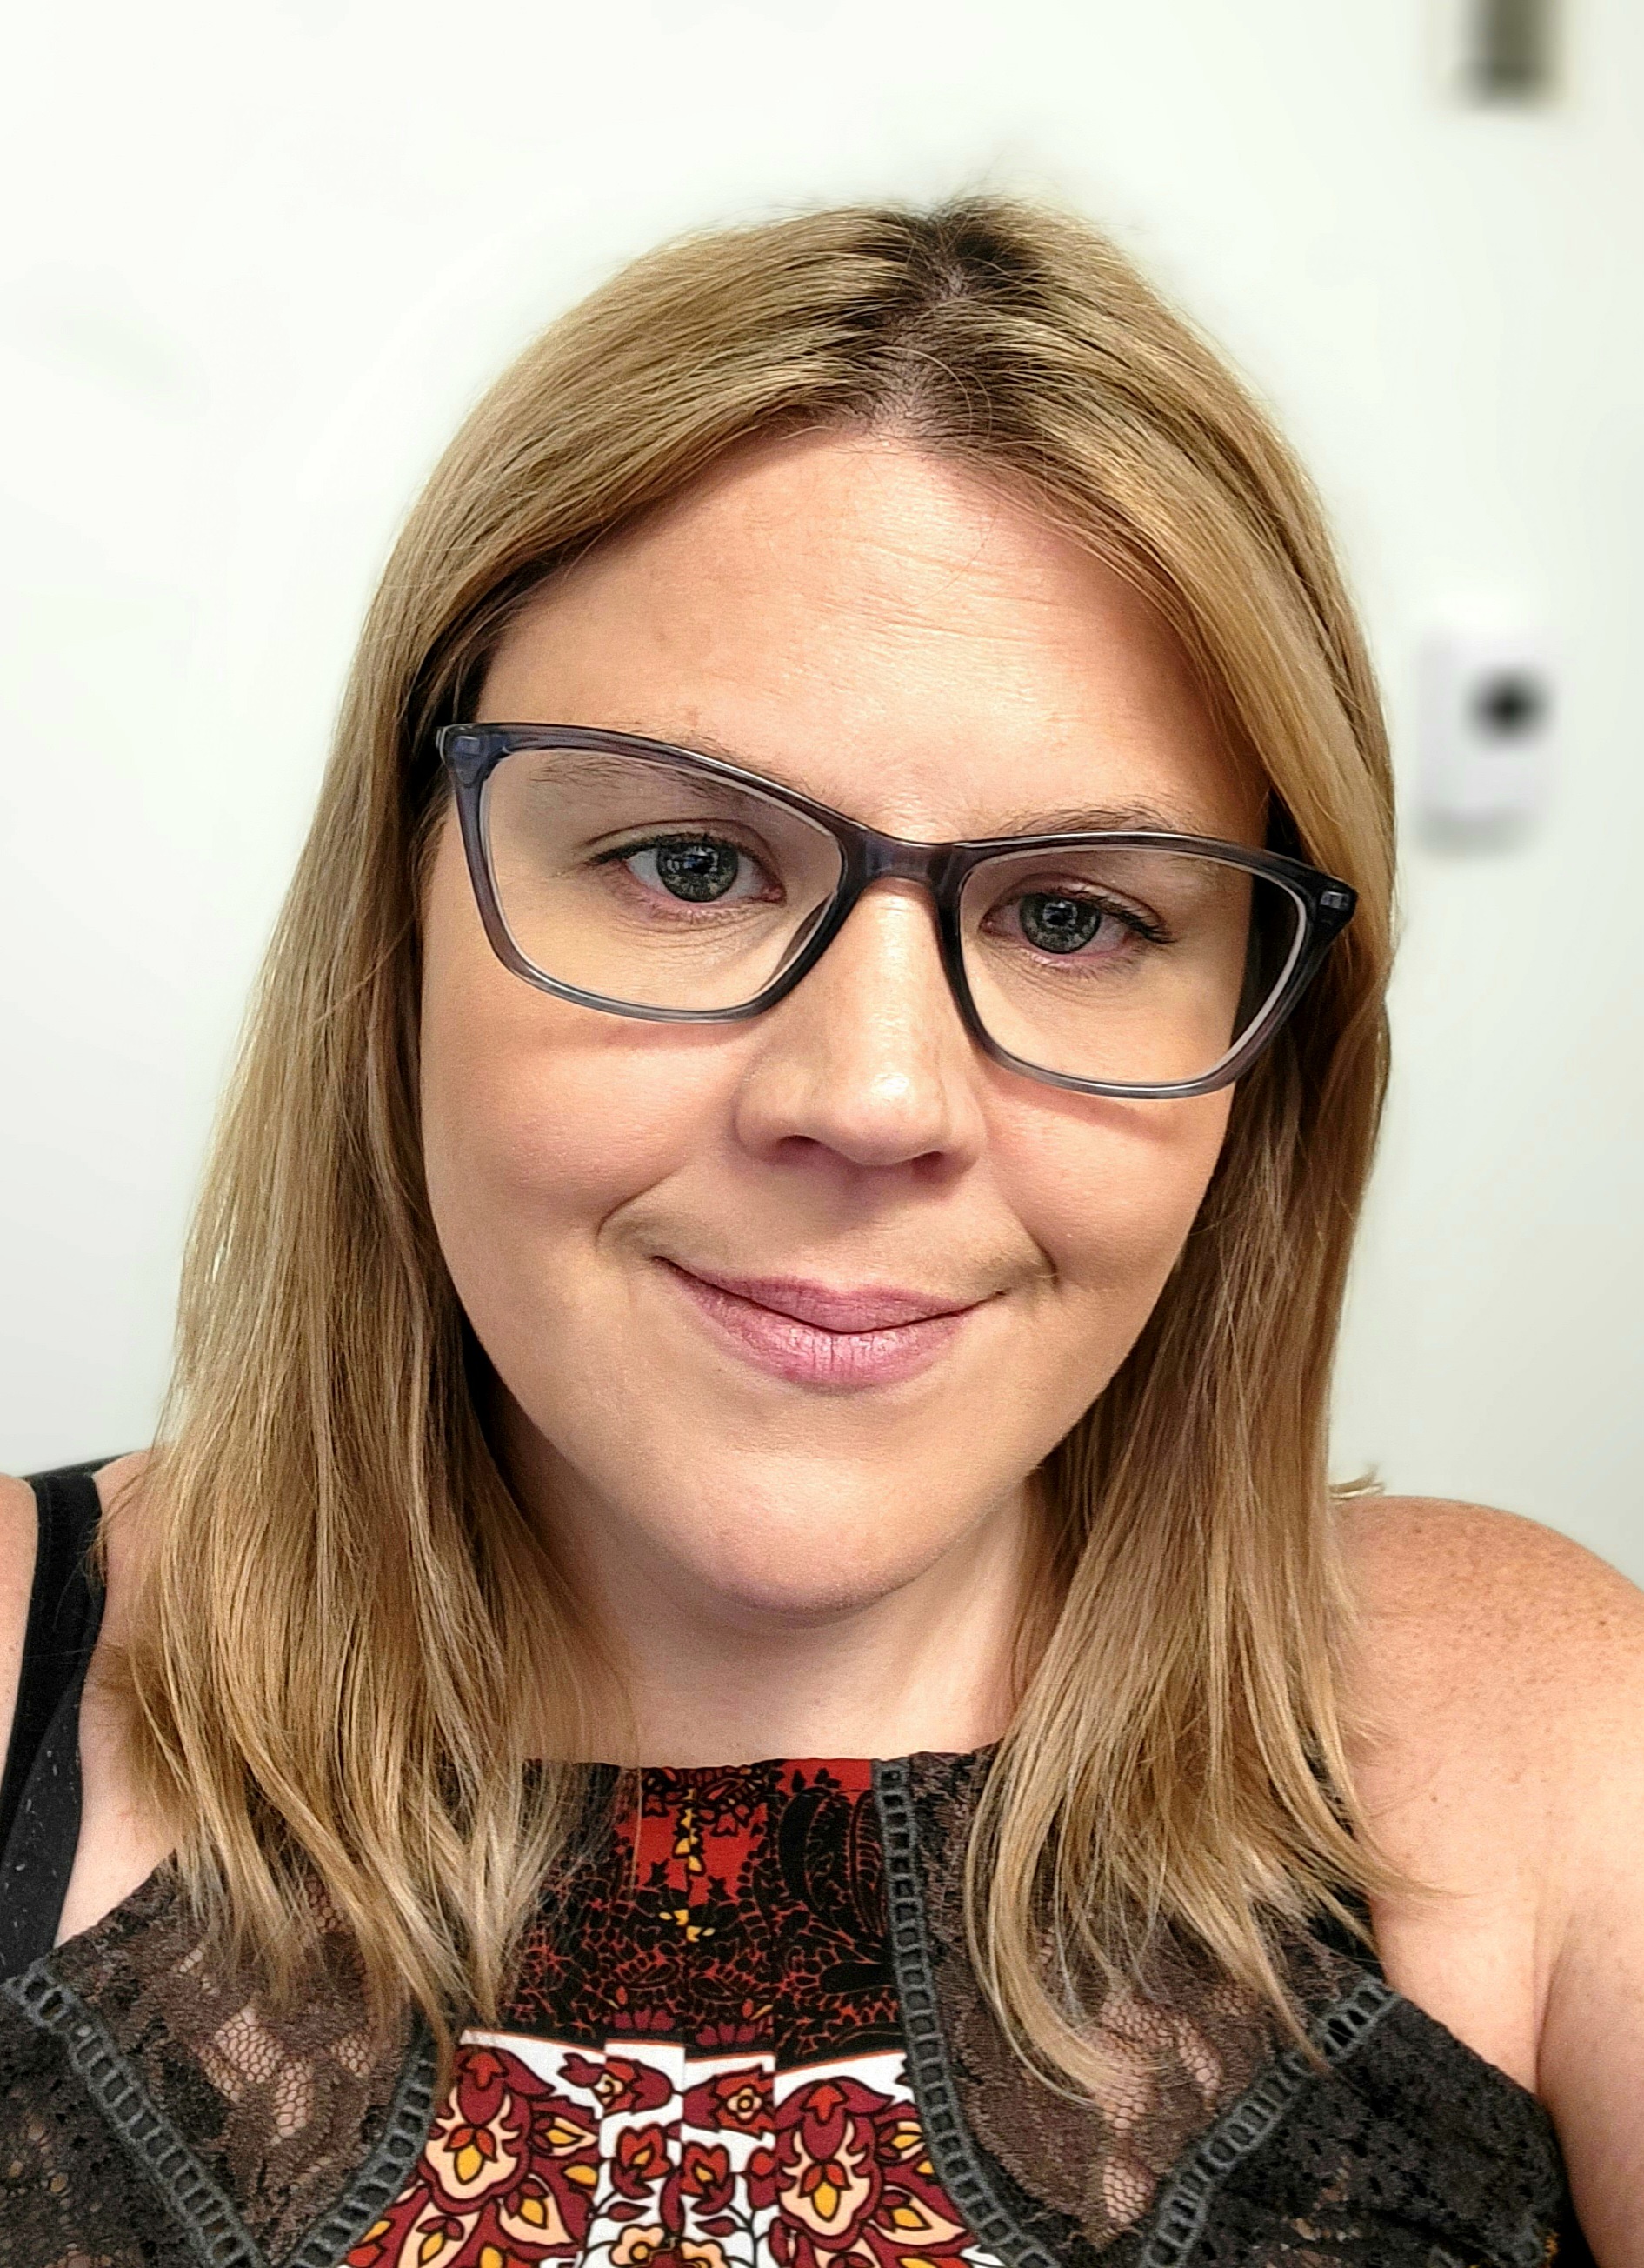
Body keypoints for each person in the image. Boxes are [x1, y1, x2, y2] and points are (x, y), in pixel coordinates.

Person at [1, 197, 1638, 2268]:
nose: (870, 1097)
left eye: (1076, 915)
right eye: (689, 863)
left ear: (1264, 1053)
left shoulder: (1544, 1739)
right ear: (396, 927)